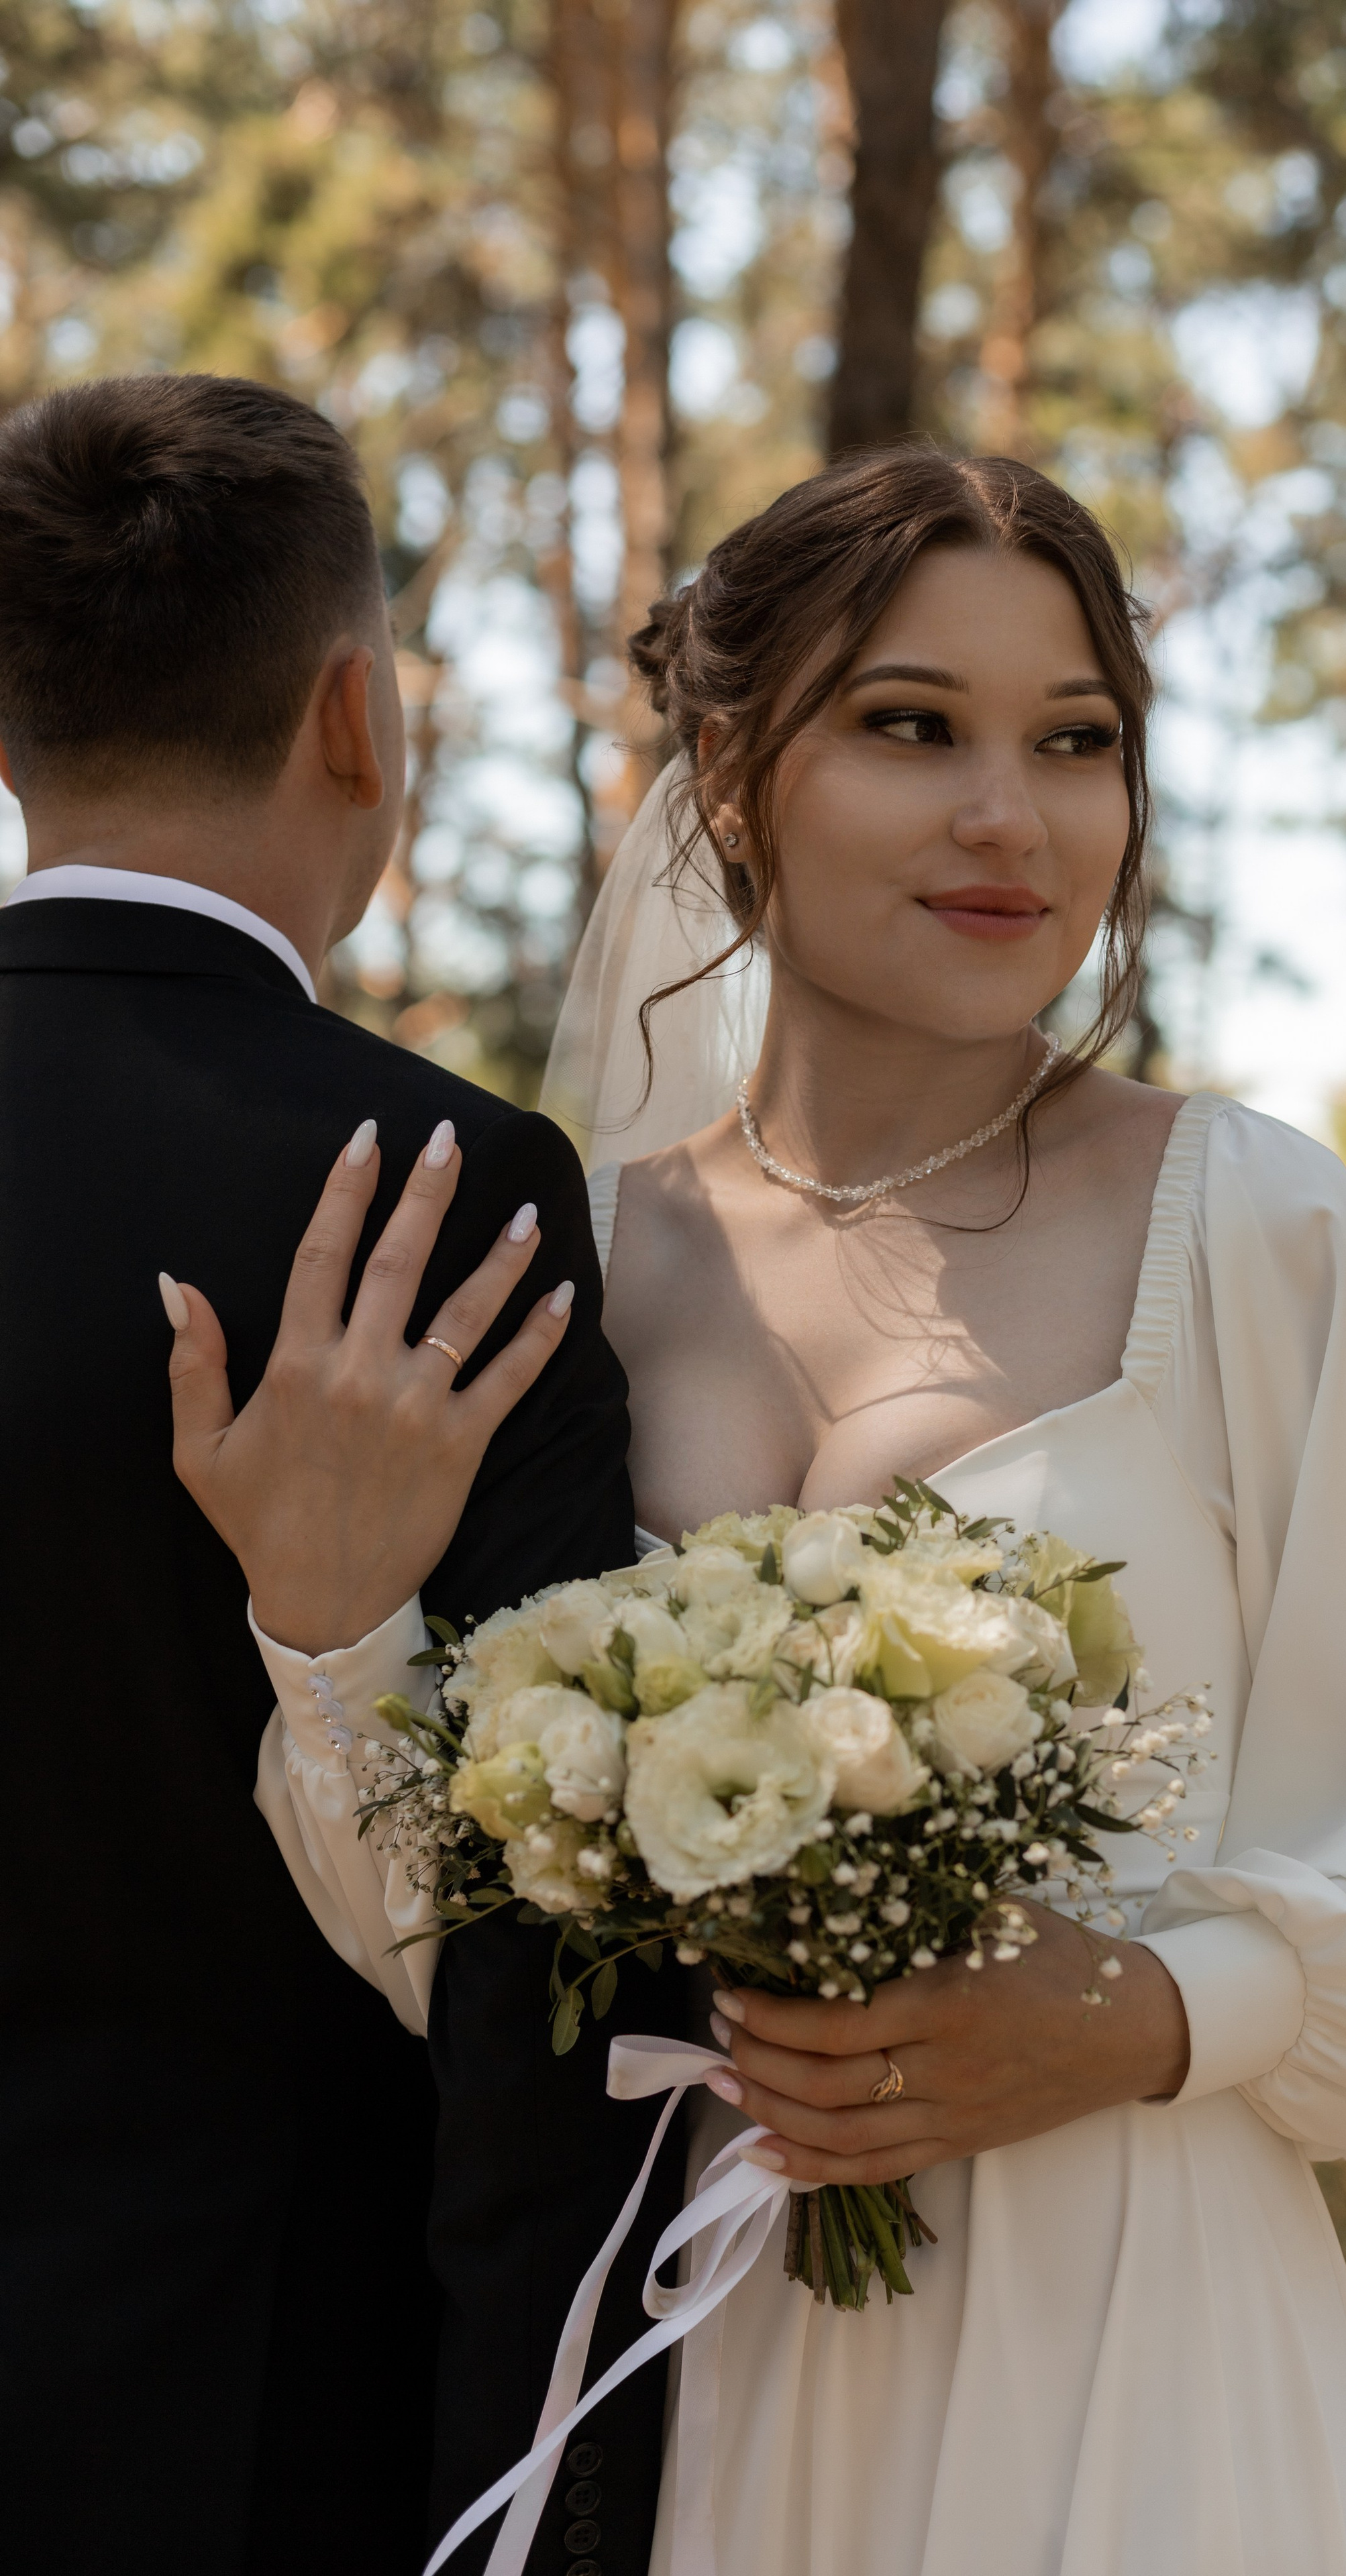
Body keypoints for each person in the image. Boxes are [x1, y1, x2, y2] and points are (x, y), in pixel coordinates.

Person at [176, 449, 1346, 2575]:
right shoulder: (560, 1265)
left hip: (1128, 2341)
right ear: (737, 773)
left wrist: (1133, 2012)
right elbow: (448, 1971)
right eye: (912, 727)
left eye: (1077, 743)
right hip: (692, 2354)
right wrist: (330, 1625)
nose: (1010, 819)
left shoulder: (1259, 1229)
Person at [0, 373, 684, 2576]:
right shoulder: (429, 1191)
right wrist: (538, 2497)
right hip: (254, 2413)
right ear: (358, 716)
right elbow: (537, 1969)